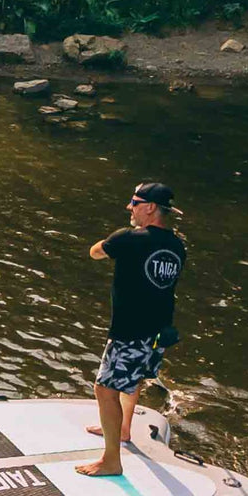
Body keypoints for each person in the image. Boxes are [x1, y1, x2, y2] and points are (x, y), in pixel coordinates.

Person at [77, 182, 186, 478]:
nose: (129, 207)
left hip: (129, 332)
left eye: (134, 202)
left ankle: (111, 460)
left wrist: (121, 237)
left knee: (104, 389)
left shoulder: (128, 239)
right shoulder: (177, 245)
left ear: (150, 207)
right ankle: (123, 429)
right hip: (159, 332)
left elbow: (95, 252)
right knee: (134, 377)